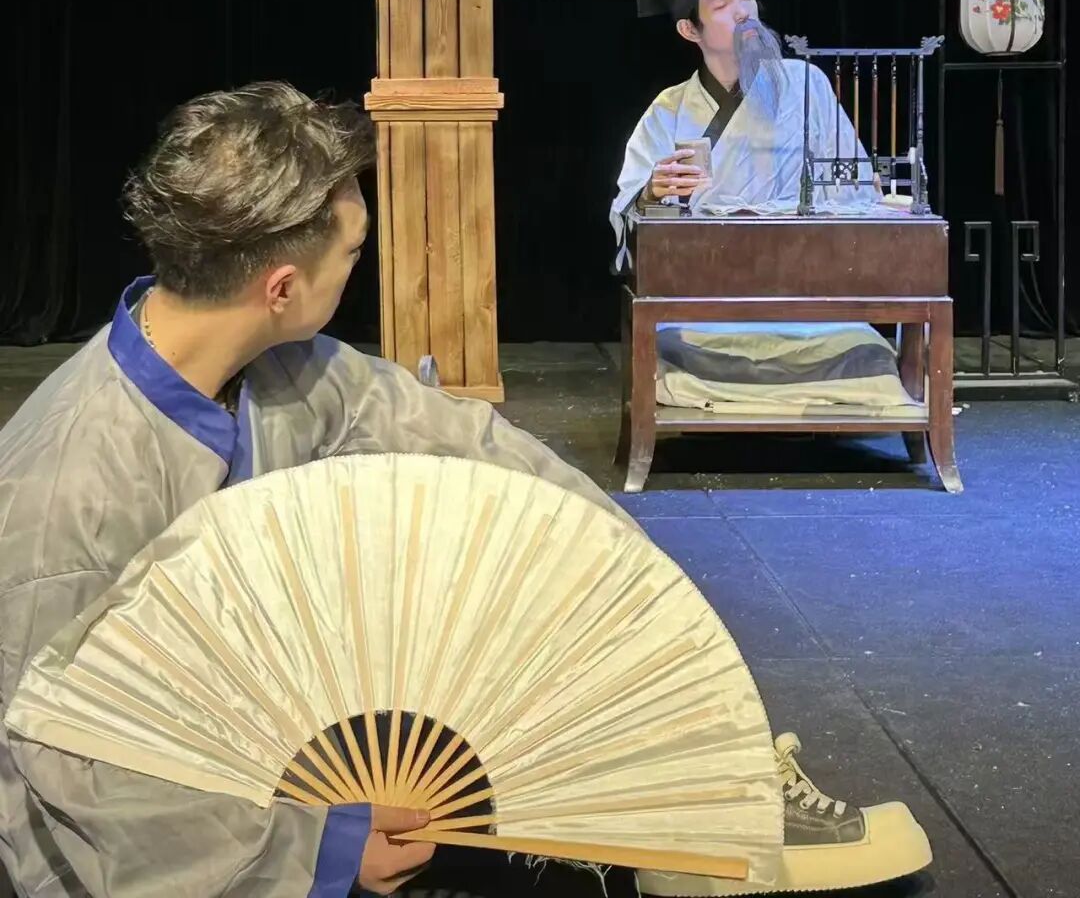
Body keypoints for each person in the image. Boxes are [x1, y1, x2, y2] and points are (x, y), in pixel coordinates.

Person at [0, 81, 931, 898]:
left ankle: (693, 787)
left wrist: (615, 571)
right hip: (131, 845)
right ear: (280, 287)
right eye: (353, 253)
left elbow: (451, 437)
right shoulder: (68, 491)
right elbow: (68, 767)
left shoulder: (275, 366)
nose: (357, 269)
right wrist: (319, 850)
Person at [610, 0, 921, 419]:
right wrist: (653, 191)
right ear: (689, 29)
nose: (743, 12)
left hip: (806, 301)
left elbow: (858, 189)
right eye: (722, 4)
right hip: (707, 307)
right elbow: (627, 216)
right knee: (677, 349)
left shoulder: (807, 85)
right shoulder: (669, 110)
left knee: (861, 351)